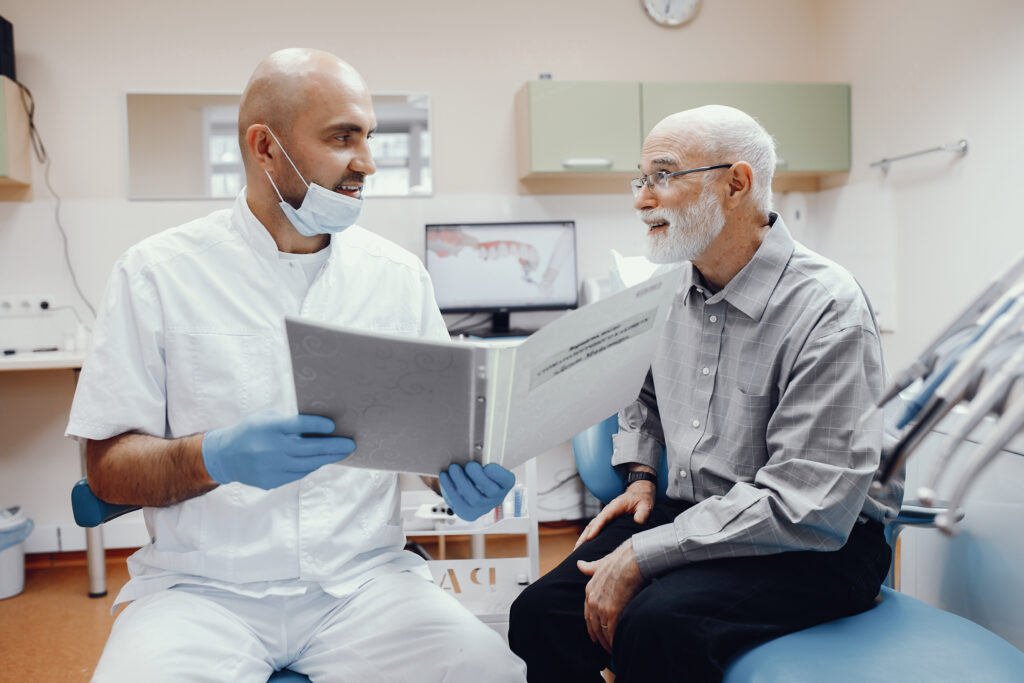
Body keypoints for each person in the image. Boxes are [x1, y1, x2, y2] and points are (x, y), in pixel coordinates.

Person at [67, 48, 525, 683]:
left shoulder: (396, 278)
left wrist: (457, 479)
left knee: (495, 675)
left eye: (368, 138)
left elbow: (428, 448)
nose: (365, 162)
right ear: (264, 147)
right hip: (201, 592)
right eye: (342, 138)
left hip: (366, 586)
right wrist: (213, 456)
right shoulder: (156, 274)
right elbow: (107, 470)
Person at [508, 105, 903, 682]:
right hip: (697, 510)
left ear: (736, 184)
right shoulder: (668, 289)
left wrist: (644, 554)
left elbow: (807, 504)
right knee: (539, 614)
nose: (642, 199)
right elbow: (638, 391)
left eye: (663, 176)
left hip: (817, 541)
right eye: (641, 179)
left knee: (658, 626)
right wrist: (642, 472)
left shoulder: (828, 309)